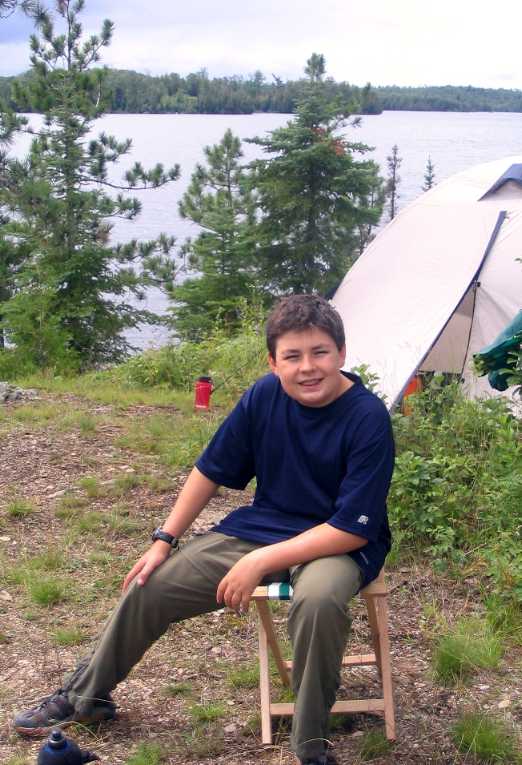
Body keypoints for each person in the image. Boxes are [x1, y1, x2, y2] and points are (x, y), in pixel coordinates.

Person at [14, 295, 395, 765]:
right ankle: (86, 698)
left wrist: (259, 562)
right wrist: (163, 540)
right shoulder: (264, 396)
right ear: (273, 362)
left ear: (341, 353)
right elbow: (210, 469)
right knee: (149, 584)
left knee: (317, 600)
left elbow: (351, 529)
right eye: (292, 356)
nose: (308, 367)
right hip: (264, 527)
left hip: (335, 545)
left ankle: (310, 743)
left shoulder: (367, 416)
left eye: (320, 353)